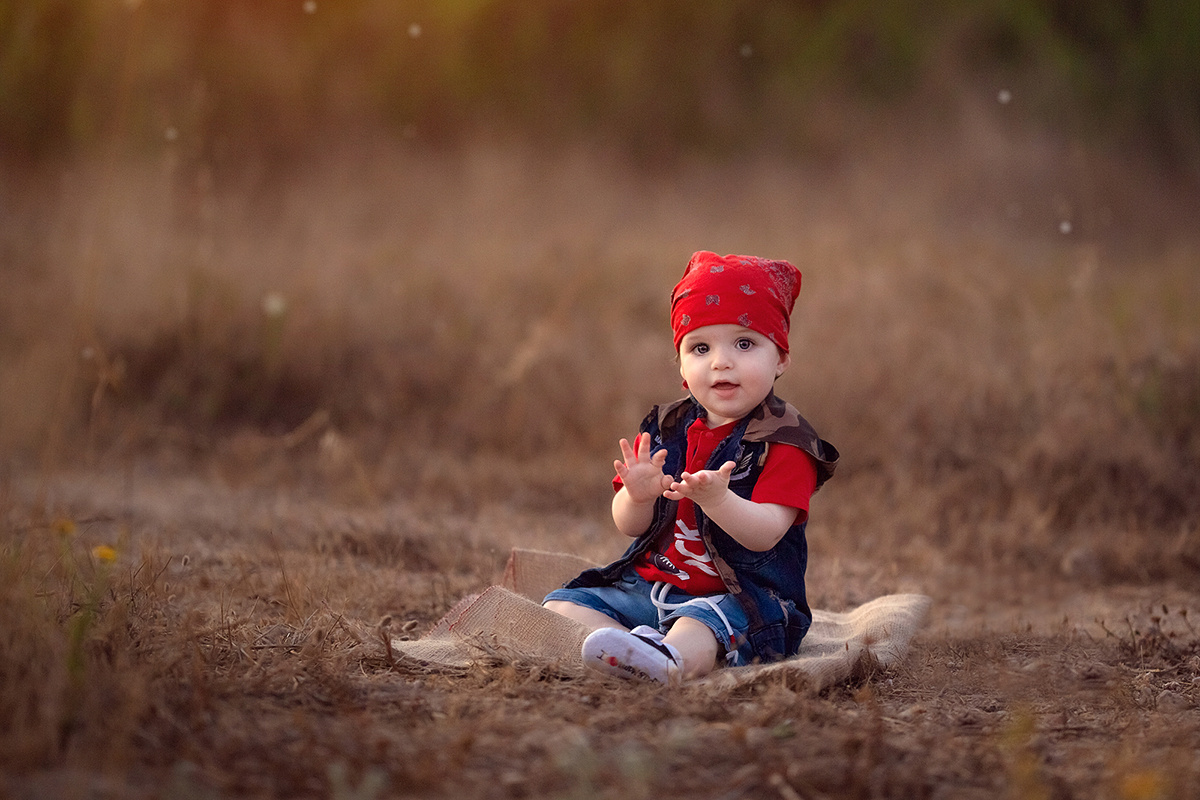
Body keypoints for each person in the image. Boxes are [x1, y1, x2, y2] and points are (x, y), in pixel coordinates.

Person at [544, 251, 839, 685]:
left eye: (744, 343)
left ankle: (670, 661)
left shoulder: (786, 442)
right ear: (682, 366)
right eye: (701, 347)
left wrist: (719, 500)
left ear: (780, 358)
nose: (721, 361)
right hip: (654, 588)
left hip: (741, 597)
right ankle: (624, 650)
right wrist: (636, 495)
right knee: (561, 605)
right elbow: (629, 525)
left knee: (701, 625)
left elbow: (766, 533)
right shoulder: (668, 427)